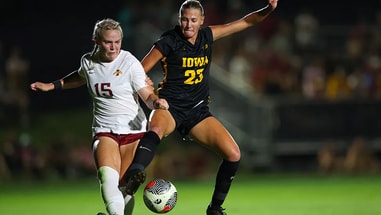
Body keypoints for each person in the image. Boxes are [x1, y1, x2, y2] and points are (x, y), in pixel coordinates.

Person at [124, 1, 279, 214]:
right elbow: (138, 70)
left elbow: (245, 22)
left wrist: (267, 10)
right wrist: (147, 85)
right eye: (185, 19)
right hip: (170, 107)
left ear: (202, 20)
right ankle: (136, 172)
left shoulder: (207, 36)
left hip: (197, 111)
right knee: (156, 130)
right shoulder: (168, 41)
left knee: (233, 154)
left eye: (193, 20)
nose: (188, 24)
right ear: (179, 19)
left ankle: (214, 209)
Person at [30, 18, 168, 215]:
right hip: (104, 130)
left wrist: (156, 102)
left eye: (117, 42)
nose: (113, 47)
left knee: (124, 187)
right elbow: (80, 76)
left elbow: (146, 94)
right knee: (107, 177)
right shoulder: (88, 61)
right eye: (108, 42)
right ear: (96, 41)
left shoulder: (129, 62)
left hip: (133, 130)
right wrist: (52, 85)